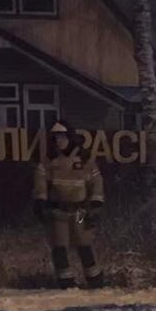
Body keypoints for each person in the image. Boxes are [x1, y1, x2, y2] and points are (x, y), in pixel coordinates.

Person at [33, 120, 106, 288]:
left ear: (70, 138)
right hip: (58, 212)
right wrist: (41, 202)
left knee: (84, 245)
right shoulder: (49, 161)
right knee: (60, 248)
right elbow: (40, 182)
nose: (59, 140)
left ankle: (95, 281)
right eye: (56, 137)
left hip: (80, 211)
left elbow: (96, 182)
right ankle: (66, 283)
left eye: (62, 137)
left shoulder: (85, 159)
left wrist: (96, 204)